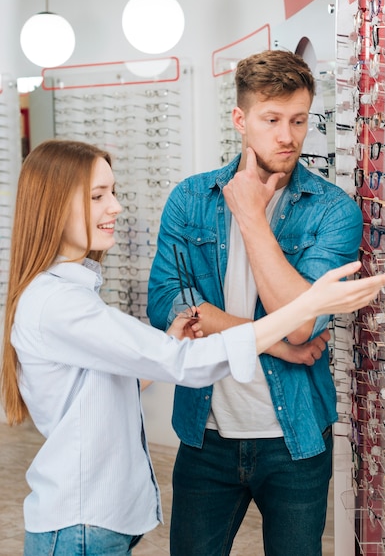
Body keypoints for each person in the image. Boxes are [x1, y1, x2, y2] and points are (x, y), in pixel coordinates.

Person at [0, 139, 385, 556]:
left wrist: (169, 344)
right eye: (97, 197)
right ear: (53, 206)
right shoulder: (59, 304)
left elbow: (109, 385)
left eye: (112, 193)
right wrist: (305, 307)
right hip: (78, 528)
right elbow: (185, 364)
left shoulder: (67, 294)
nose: (114, 207)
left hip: (92, 524)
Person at [147, 49, 365, 556]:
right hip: (206, 435)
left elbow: (301, 330)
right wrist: (277, 345)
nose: (287, 136)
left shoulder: (334, 212)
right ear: (241, 120)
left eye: (298, 120)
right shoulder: (190, 199)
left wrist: (249, 213)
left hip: (295, 439)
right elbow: (169, 307)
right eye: (271, 120)